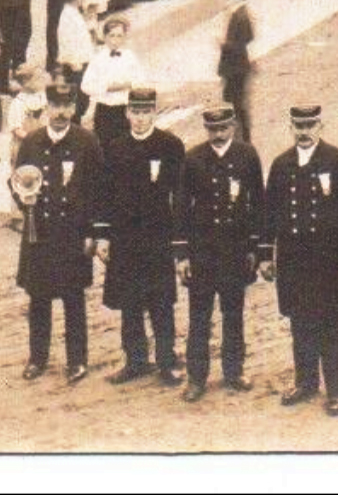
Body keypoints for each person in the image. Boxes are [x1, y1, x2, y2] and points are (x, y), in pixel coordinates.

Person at [259, 104, 338, 417]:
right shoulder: (281, 164)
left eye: (310, 125)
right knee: (300, 322)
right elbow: (269, 212)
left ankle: (335, 390)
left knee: (329, 324)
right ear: (290, 127)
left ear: (321, 126)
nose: (304, 132)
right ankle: (305, 383)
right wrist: (266, 254)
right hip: (293, 257)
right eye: (298, 126)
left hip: (328, 256)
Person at [96, 86, 186, 387]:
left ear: (154, 112)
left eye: (146, 112)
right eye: (135, 112)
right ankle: (134, 361)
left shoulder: (170, 145)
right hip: (125, 239)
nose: (140, 118)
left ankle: (166, 361)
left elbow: (180, 196)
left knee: (161, 301)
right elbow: (105, 195)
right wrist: (104, 236)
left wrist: (178, 241)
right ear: (127, 113)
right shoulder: (115, 146)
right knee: (129, 302)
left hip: (158, 237)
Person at [14, 80, 102, 384]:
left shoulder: (87, 143)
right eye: (55, 106)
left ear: (74, 108)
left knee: (73, 298)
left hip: (72, 234)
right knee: (38, 298)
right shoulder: (32, 142)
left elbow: (96, 191)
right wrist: (24, 203)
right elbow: (17, 180)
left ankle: (77, 360)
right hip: (39, 233)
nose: (61, 112)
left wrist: (91, 232)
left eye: (67, 106)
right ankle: (37, 358)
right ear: (46, 108)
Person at [177, 102, 264, 400]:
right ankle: (196, 378)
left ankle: (234, 370)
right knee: (199, 316)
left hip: (235, 251)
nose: (218, 134)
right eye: (212, 129)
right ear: (206, 129)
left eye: (223, 128)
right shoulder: (192, 159)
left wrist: (255, 247)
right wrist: (182, 254)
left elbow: (257, 204)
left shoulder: (247, 155)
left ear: (233, 126)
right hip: (202, 253)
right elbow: (181, 210)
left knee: (233, 313)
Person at [81, 13, 143, 147]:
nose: (115, 40)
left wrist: (129, 84)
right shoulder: (98, 59)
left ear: (125, 37)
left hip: (125, 109)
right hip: (105, 110)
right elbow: (85, 85)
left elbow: (141, 80)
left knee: (127, 144)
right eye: (111, 36)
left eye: (119, 36)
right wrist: (106, 87)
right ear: (104, 37)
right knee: (106, 145)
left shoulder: (130, 57)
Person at [218, 0, 256, 138]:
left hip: (235, 66)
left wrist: (223, 45)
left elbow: (239, 41)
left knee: (235, 102)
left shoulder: (237, 14)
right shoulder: (241, 12)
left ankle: (243, 135)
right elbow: (249, 37)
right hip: (239, 65)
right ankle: (242, 133)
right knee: (237, 102)